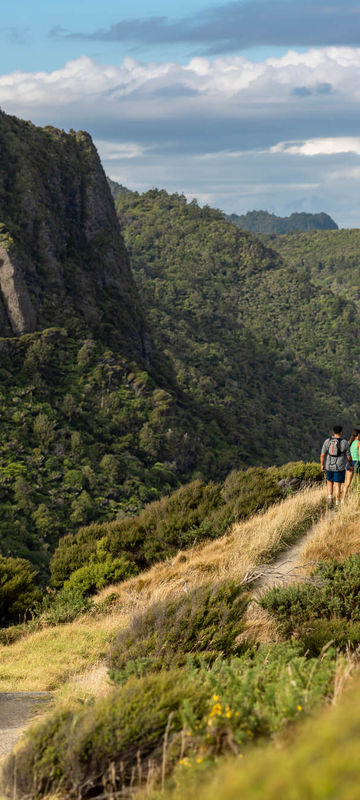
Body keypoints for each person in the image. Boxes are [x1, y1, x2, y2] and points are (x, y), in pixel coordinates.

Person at [320, 425, 352, 507]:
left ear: (333, 432)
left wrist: (322, 465)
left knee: (329, 482)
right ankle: (337, 502)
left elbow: (322, 455)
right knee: (337, 484)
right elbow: (348, 456)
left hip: (329, 465)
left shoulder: (327, 441)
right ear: (341, 432)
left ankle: (330, 499)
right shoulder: (345, 442)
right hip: (339, 466)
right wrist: (350, 465)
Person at [344, 428, 360, 496]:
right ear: (358, 435)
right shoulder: (359, 443)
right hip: (357, 462)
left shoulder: (349, 442)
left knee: (347, 483)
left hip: (349, 463)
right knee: (358, 482)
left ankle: (343, 499)